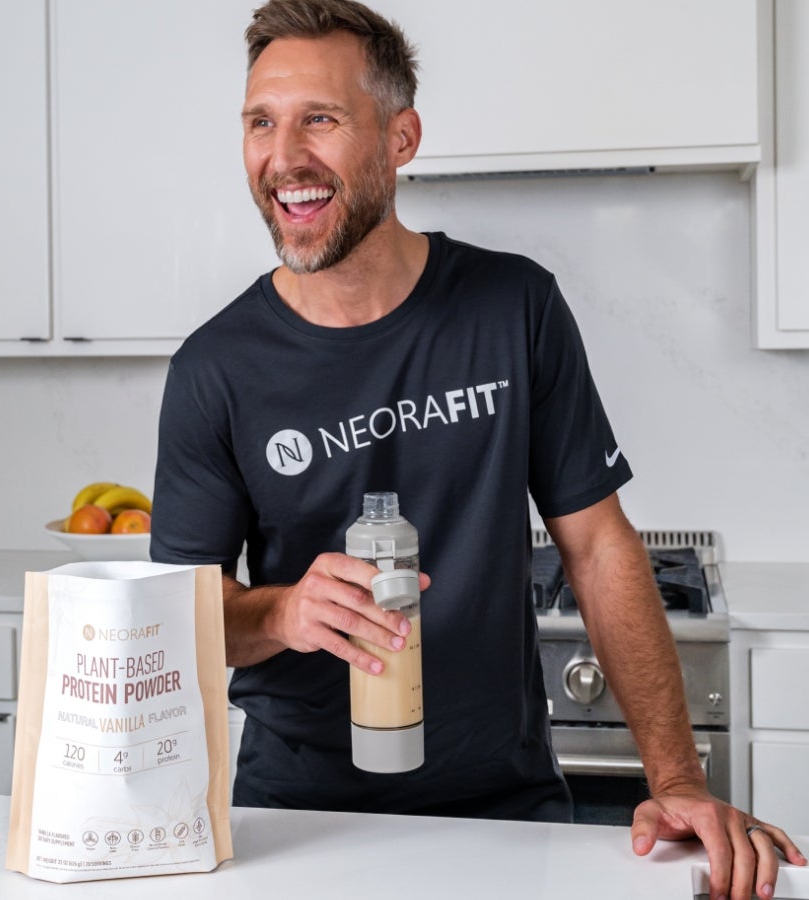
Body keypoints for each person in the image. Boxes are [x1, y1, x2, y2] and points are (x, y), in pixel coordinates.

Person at [150, 1, 806, 897]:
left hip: (503, 810)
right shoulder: (213, 370)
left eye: (321, 120)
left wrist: (678, 781)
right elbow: (182, 617)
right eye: (261, 121)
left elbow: (597, 545)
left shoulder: (514, 308)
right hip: (296, 822)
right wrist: (281, 614)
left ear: (400, 138)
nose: (284, 156)